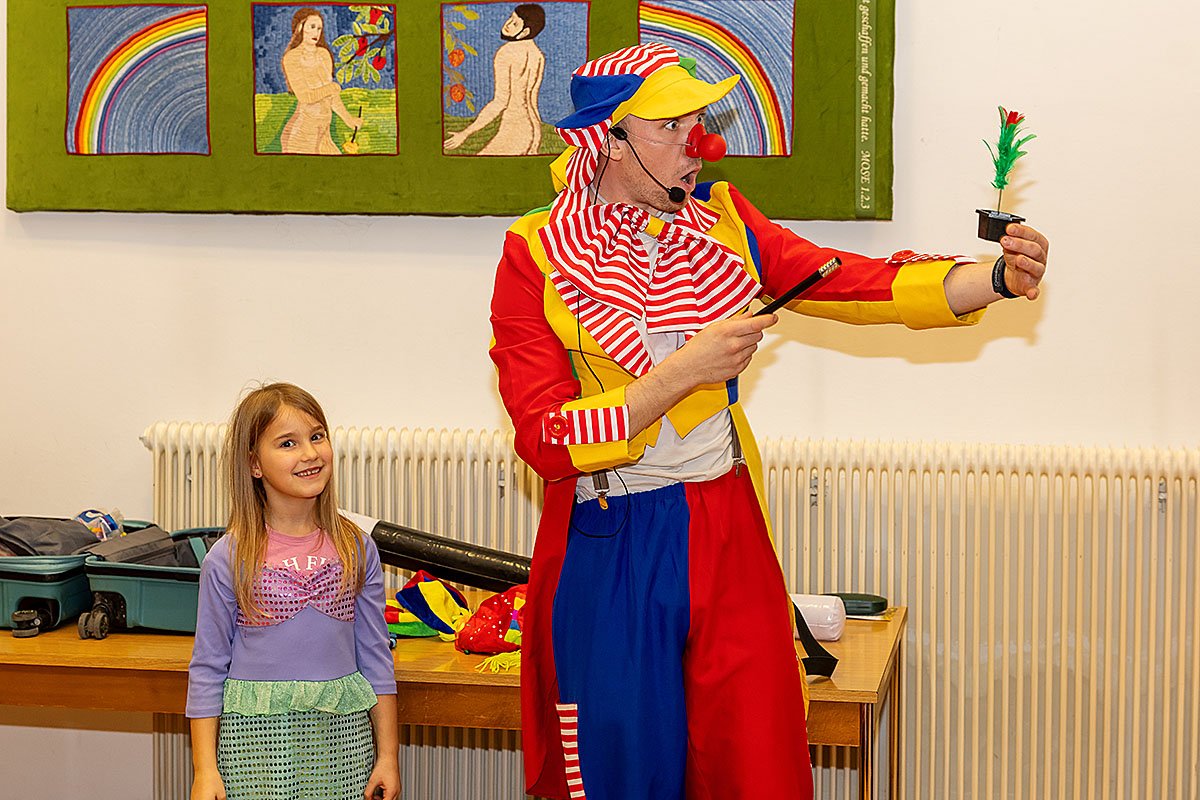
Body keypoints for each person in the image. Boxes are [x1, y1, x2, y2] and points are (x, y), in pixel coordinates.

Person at [488, 44, 1050, 800]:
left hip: (725, 522)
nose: (697, 142)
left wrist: (995, 279)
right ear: (608, 140)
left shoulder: (723, 222)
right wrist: (680, 374)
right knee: (619, 764)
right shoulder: (534, 252)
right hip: (610, 535)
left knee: (754, 755)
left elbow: (848, 281)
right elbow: (544, 438)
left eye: (697, 120)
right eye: (670, 126)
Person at [186, 383, 400, 800]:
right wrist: (205, 770)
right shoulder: (228, 557)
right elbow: (208, 668)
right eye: (288, 443)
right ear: (254, 464)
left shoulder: (357, 548)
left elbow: (376, 658)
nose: (309, 453)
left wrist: (388, 756)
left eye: (317, 436)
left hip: (341, 746)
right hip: (254, 750)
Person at [444, 4, 545, 155]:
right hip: (531, 129)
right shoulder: (538, 55)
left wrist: (465, 134)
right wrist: (536, 139)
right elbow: (532, 102)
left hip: (514, 129)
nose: (508, 24)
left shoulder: (506, 52)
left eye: (515, 23)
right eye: (510, 18)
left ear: (525, 32)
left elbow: (500, 102)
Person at [279, 8, 363, 155]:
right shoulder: (291, 58)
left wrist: (349, 120)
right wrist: (332, 87)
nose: (316, 33)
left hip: (324, 134)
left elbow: (332, 97)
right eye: (312, 27)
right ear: (300, 27)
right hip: (301, 135)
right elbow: (305, 96)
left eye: (319, 28)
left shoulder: (324, 55)